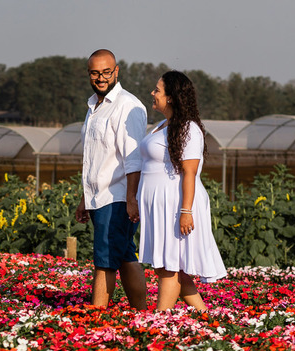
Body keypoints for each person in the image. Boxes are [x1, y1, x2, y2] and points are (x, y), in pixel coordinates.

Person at [137, 70, 227, 311]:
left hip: (176, 205)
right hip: (159, 206)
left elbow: (190, 172)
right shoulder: (161, 126)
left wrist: (185, 211)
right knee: (165, 266)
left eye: (157, 90)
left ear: (172, 97)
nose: (152, 93)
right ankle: (206, 315)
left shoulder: (189, 129)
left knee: (169, 267)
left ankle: (159, 320)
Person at [75, 49, 148, 310]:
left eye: (106, 72)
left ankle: (96, 314)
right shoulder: (93, 106)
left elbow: (133, 158)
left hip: (117, 196)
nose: (101, 77)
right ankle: (143, 313)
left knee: (105, 257)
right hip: (98, 196)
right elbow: (93, 158)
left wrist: (131, 198)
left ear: (116, 71)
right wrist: (84, 198)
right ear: (89, 74)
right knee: (125, 254)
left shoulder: (128, 106)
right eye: (95, 73)